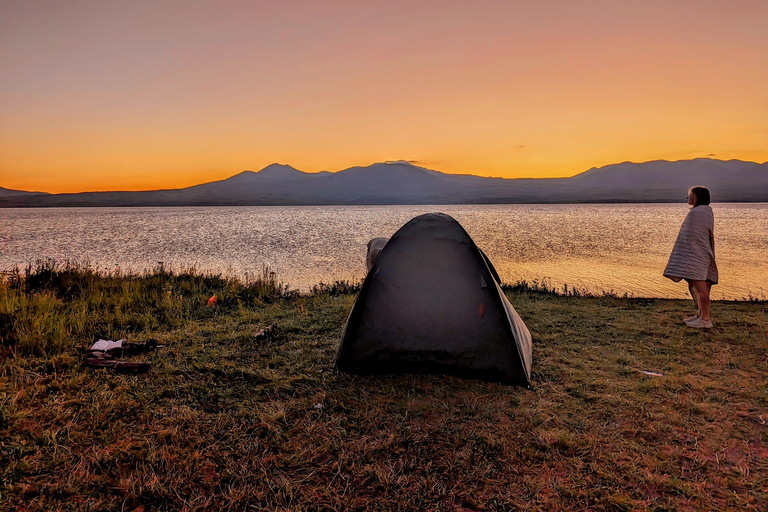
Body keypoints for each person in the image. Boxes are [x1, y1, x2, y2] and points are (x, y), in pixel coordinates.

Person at [664, 186, 718, 328]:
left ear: (696, 198)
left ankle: (705, 320)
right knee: (693, 285)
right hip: (694, 255)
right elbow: (689, 236)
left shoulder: (698, 213)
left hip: (698, 255)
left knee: (702, 288)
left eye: (690, 196)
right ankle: (700, 315)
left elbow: (696, 237)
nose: (688, 199)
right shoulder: (702, 212)